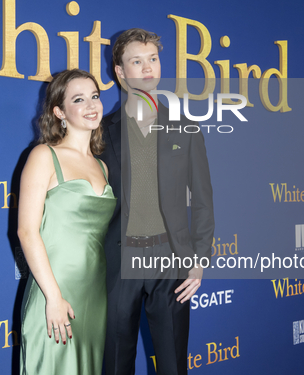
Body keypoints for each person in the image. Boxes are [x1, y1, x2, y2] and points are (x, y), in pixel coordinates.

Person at [99, 28, 215, 374]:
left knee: (173, 364)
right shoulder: (101, 133)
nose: (148, 68)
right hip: (119, 263)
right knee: (115, 364)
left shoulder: (186, 128)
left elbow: (205, 200)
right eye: (137, 61)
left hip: (171, 262)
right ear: (120, 72)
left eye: (153, 59)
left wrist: (200, 258)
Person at [17, 69, 116, 374]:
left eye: (95, 96)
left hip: (94, 294)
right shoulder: (44, 155)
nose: (91, 105)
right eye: (79, 99)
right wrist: (53, 297)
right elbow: (26, 231)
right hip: (55, 291)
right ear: (59, 111)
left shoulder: (102, 166)